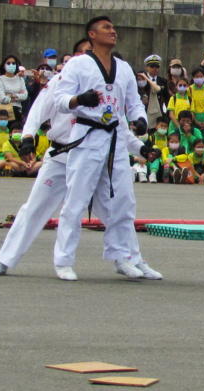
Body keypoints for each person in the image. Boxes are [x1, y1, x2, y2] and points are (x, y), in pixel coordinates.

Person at [0, 38, 162, 280]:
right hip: (61, 154)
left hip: (97, 155)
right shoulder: (60, 84)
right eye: (86, 54)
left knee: (118, 209)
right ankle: (4, 259)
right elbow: (37, 111)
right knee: (35, 208)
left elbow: (116, 124)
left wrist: (141, 149)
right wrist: (27, 136)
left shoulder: (106, 87)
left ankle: (129, 259)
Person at [50, 16, 148, 281]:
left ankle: (122, 257)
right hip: (88, 135)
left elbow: (134, 102)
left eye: (114, 27)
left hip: (115, 136)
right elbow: (58, 100)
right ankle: (63, 261)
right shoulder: (78, 65)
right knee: (76, 200)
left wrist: (141, 120)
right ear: (92, 35)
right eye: (106, 28)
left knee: (123, 201)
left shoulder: (124, 68)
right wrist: (78, 99)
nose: (113, 31)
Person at [0, 54, 28, 123]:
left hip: (17, 111)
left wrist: (10, 95)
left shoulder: (20, 79)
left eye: (13, 63)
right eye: (8, 63)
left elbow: (25, 95)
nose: (11, 65)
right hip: (3, 113)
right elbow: (2, 98)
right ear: (4, 65)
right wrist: (17, 96)